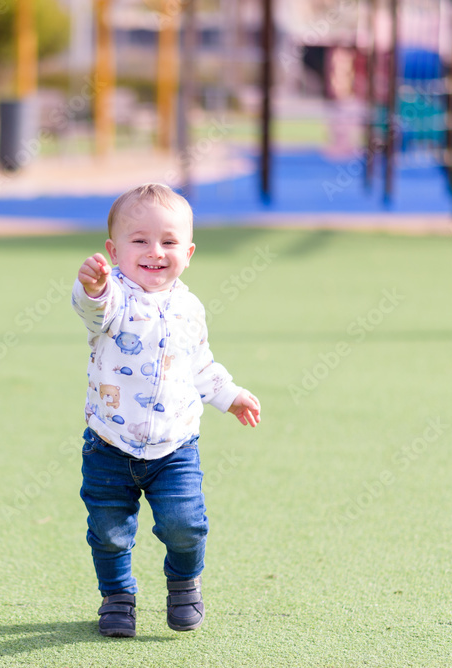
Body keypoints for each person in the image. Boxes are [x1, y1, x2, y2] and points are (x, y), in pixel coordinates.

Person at [72, 183, 261, 638]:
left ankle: (183, 583)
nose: (155, 252)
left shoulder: (189, 308)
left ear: (189, 252)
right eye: (139, 240)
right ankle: (117, 596)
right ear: (113, 250)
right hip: (109, 446)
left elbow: (200, 363)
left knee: (185, 527)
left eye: (169, 242)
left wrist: (230, 395)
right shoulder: (115, 296)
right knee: (109, 532)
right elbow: (93, 311)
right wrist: (92, 287)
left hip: (175, 448)